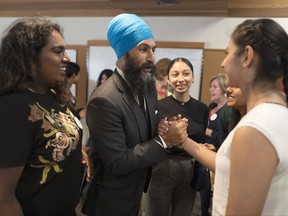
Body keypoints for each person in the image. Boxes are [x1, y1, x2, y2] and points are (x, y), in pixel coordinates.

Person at [162, 18, 288, 215]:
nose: (222, 63)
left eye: (227, 54)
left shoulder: (255, 129)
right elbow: (228, 166)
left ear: (247, 56)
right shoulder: (277, 115)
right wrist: (184, 140)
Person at [82, 13, 188, 216]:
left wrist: (161, 126)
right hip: (111, 203)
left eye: (153, 49)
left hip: (137, 194)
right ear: (123, 53)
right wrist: (165, 141)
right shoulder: (104, 100)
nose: (152, 57)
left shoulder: (146, 86)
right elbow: (117, 162)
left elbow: (142, 129)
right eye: (143, 49)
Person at [0, 17, 84, 215]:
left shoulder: (52, 95)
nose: (67, 58)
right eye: (57, 51)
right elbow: (3, 197)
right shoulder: (12, 107)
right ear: (29, 56)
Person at [145, 57, 208, 216]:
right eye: (175, 74)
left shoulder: (201, 108)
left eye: (186, 74)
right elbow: (150, 138)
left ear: (193, 77)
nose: (181, 79)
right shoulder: (157, 106)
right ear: (168, 78)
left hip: (190, 168)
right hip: (162, 165)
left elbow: (201, 138)